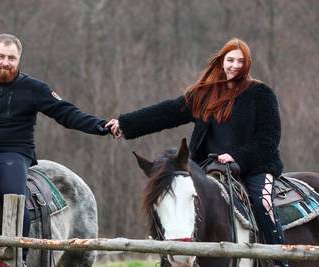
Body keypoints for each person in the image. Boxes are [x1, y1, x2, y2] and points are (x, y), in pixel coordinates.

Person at [106, 38, 288, 267]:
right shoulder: (205, 95)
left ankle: (280, 260)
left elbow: (269, 139)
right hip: (207, 167)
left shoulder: (261, 94)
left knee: (263, 203)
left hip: (254, 166)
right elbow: (167, 113)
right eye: (230, 60)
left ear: (247, 64)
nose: (234, 66)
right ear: (221, 61)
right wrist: (126, 124)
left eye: (240, 61)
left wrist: (238, 157)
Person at [0, 33, 110, 265]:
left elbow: (66, 113)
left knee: (13, 194)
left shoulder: (33, 88)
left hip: (13, 155)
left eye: (12, 58)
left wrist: (100, 126)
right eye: (1, 56)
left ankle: (17, 257)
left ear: (19, 60)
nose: (6, 62)